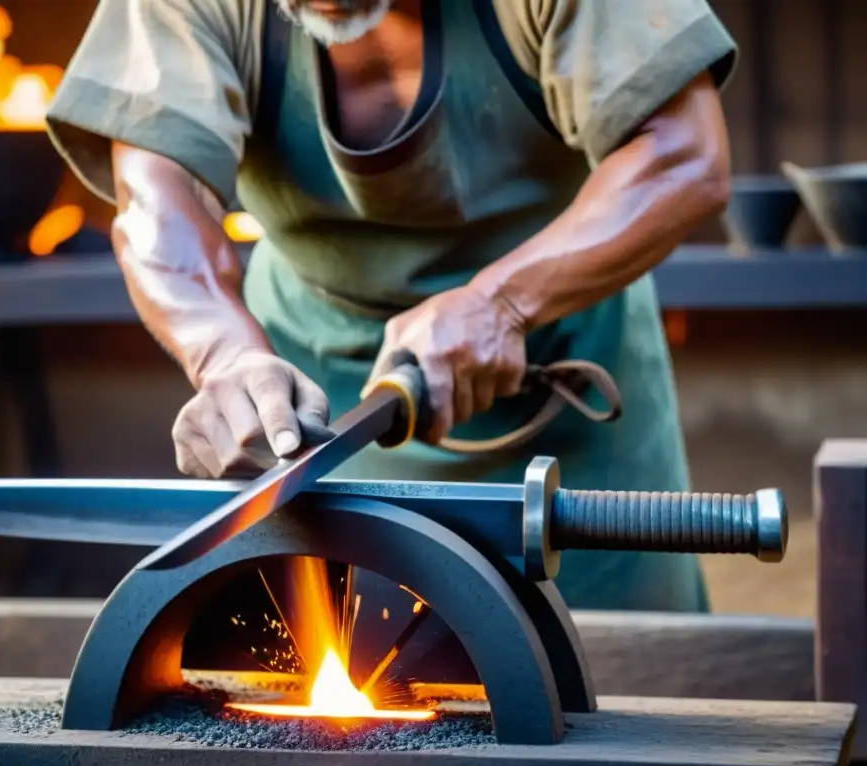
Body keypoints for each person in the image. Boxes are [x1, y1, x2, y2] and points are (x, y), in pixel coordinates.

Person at [46, 0, 736, 612]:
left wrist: (502, 305)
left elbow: (681, 154)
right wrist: (225, 354)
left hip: (562, 382)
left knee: (635, 696)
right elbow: (159, 204)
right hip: (317, 408)